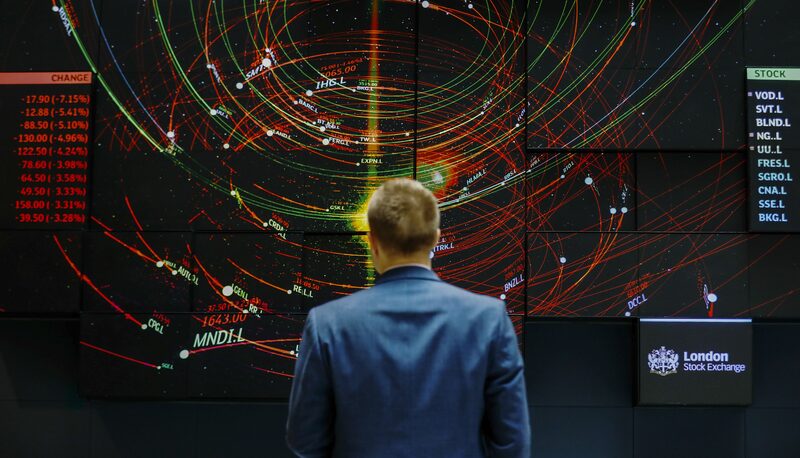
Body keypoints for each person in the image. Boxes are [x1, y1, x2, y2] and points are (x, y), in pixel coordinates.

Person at [286, 178, 530, 458]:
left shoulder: (326, 324)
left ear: (372, 242)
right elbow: (512, 443)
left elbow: (305, 441)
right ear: (435, 239)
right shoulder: (489, 320)